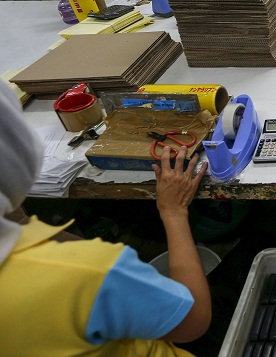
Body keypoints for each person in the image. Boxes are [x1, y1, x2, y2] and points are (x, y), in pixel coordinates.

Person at [0, 81, 211, 355]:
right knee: (255, 243)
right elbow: (193, 324)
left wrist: (19, 221)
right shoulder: (89, 271)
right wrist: (174, 212)